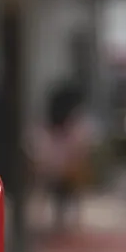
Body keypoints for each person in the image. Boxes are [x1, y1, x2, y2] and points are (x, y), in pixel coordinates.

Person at [35, 82, 92, 234]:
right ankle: (59, 219)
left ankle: (67, 220)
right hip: (53, 169)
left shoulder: (75, 126)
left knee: (73, 172)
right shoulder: (50, 128)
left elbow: (80, 149)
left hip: (65, 170)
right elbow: (42, 153)